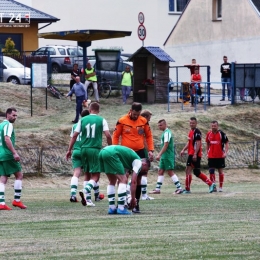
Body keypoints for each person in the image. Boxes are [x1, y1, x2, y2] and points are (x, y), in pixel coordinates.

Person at [66, 102, 112, 207]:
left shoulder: (82, 120)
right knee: (96, 175)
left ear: (90, 109)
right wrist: (110, 147)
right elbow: (108, 135)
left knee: (86, 173)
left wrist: (69, 150)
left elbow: (74, 136)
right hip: (95, 149)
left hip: (83, 149)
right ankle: (86, 190)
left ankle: (87, 200)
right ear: (98, 110)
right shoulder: (102, 120)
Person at [112, 102, 154, 213]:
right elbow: (115, 136)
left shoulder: (143, 121)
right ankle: (122, 202)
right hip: (125, 153)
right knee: (123, 177)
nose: (136, 116)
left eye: (138, 114)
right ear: (131, 110)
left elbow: (149, 136)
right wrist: (114, 150)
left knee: (139, 179)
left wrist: (150, 150)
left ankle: (136, 204)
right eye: (134, 114)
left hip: (139, 153)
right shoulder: (122, 120)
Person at [99, 145, 150, 215]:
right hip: (112, 153)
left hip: (103, 151)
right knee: (124, 180)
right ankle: (121, 208)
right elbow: (133, 182)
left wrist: (126, 196)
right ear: (144, 164)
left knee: (112, 181)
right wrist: (132, 198)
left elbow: (120, 181)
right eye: (145, 170)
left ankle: (112, 208)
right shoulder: (138, 162)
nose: (144, 172)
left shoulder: (127, 161)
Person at [180, 117, 216, 193]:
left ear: (196, 123)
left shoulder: (197, 132)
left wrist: (195, 154)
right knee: (196, 172)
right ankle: (210, 184)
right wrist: (183, 149)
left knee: (188, 170)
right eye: (190, 123)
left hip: (193, 154)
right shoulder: (190, 132)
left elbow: (198, 143)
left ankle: (187, 189)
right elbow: (189, 143)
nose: (191, 124)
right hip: (192, 153)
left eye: (193, 123)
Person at [0, 107, 27, 210]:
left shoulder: (0, 125)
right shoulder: (8, 125)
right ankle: (17, 200)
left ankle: (1, 203)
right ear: (7, 114)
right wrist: (14, 153)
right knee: (19, 175)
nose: (15, 117)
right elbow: (7, 139)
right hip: (7, 154)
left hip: (0, 154)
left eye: (16, 115)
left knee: (3, 178)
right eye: (13, 115)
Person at [150, 119, 183, 194]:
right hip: (164, 156)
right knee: (160, 171)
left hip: (168, 155)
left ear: (165, 125)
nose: (159, 127)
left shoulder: (167, 133)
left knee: (170, 172)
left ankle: (179, 188)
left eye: (161, 125)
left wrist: (159, 154)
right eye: (158, 125)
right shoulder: (164, 133)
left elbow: (166, 144)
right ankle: (157, 189)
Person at [69, 109, 90, 202]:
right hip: (85, 150)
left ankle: (73, 194)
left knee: (76, 173)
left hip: (76, 151)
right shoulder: (89, 126)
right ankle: (87, 196)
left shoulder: (74, 126)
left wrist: (69, 150)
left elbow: (72, 138)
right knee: (88, 173)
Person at [206, 120, 229, 192]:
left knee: (220, 171)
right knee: (211, 171)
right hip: (211, 156)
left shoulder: (221, 134)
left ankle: (221, 187)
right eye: (212, 126)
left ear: (217, 126)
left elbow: (227, 142)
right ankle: (213, 186)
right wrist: (207, 152)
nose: (213, 127)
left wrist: (225, 152)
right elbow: (207, 143)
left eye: (215, 126)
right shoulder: (209, 133)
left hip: (220, 156)